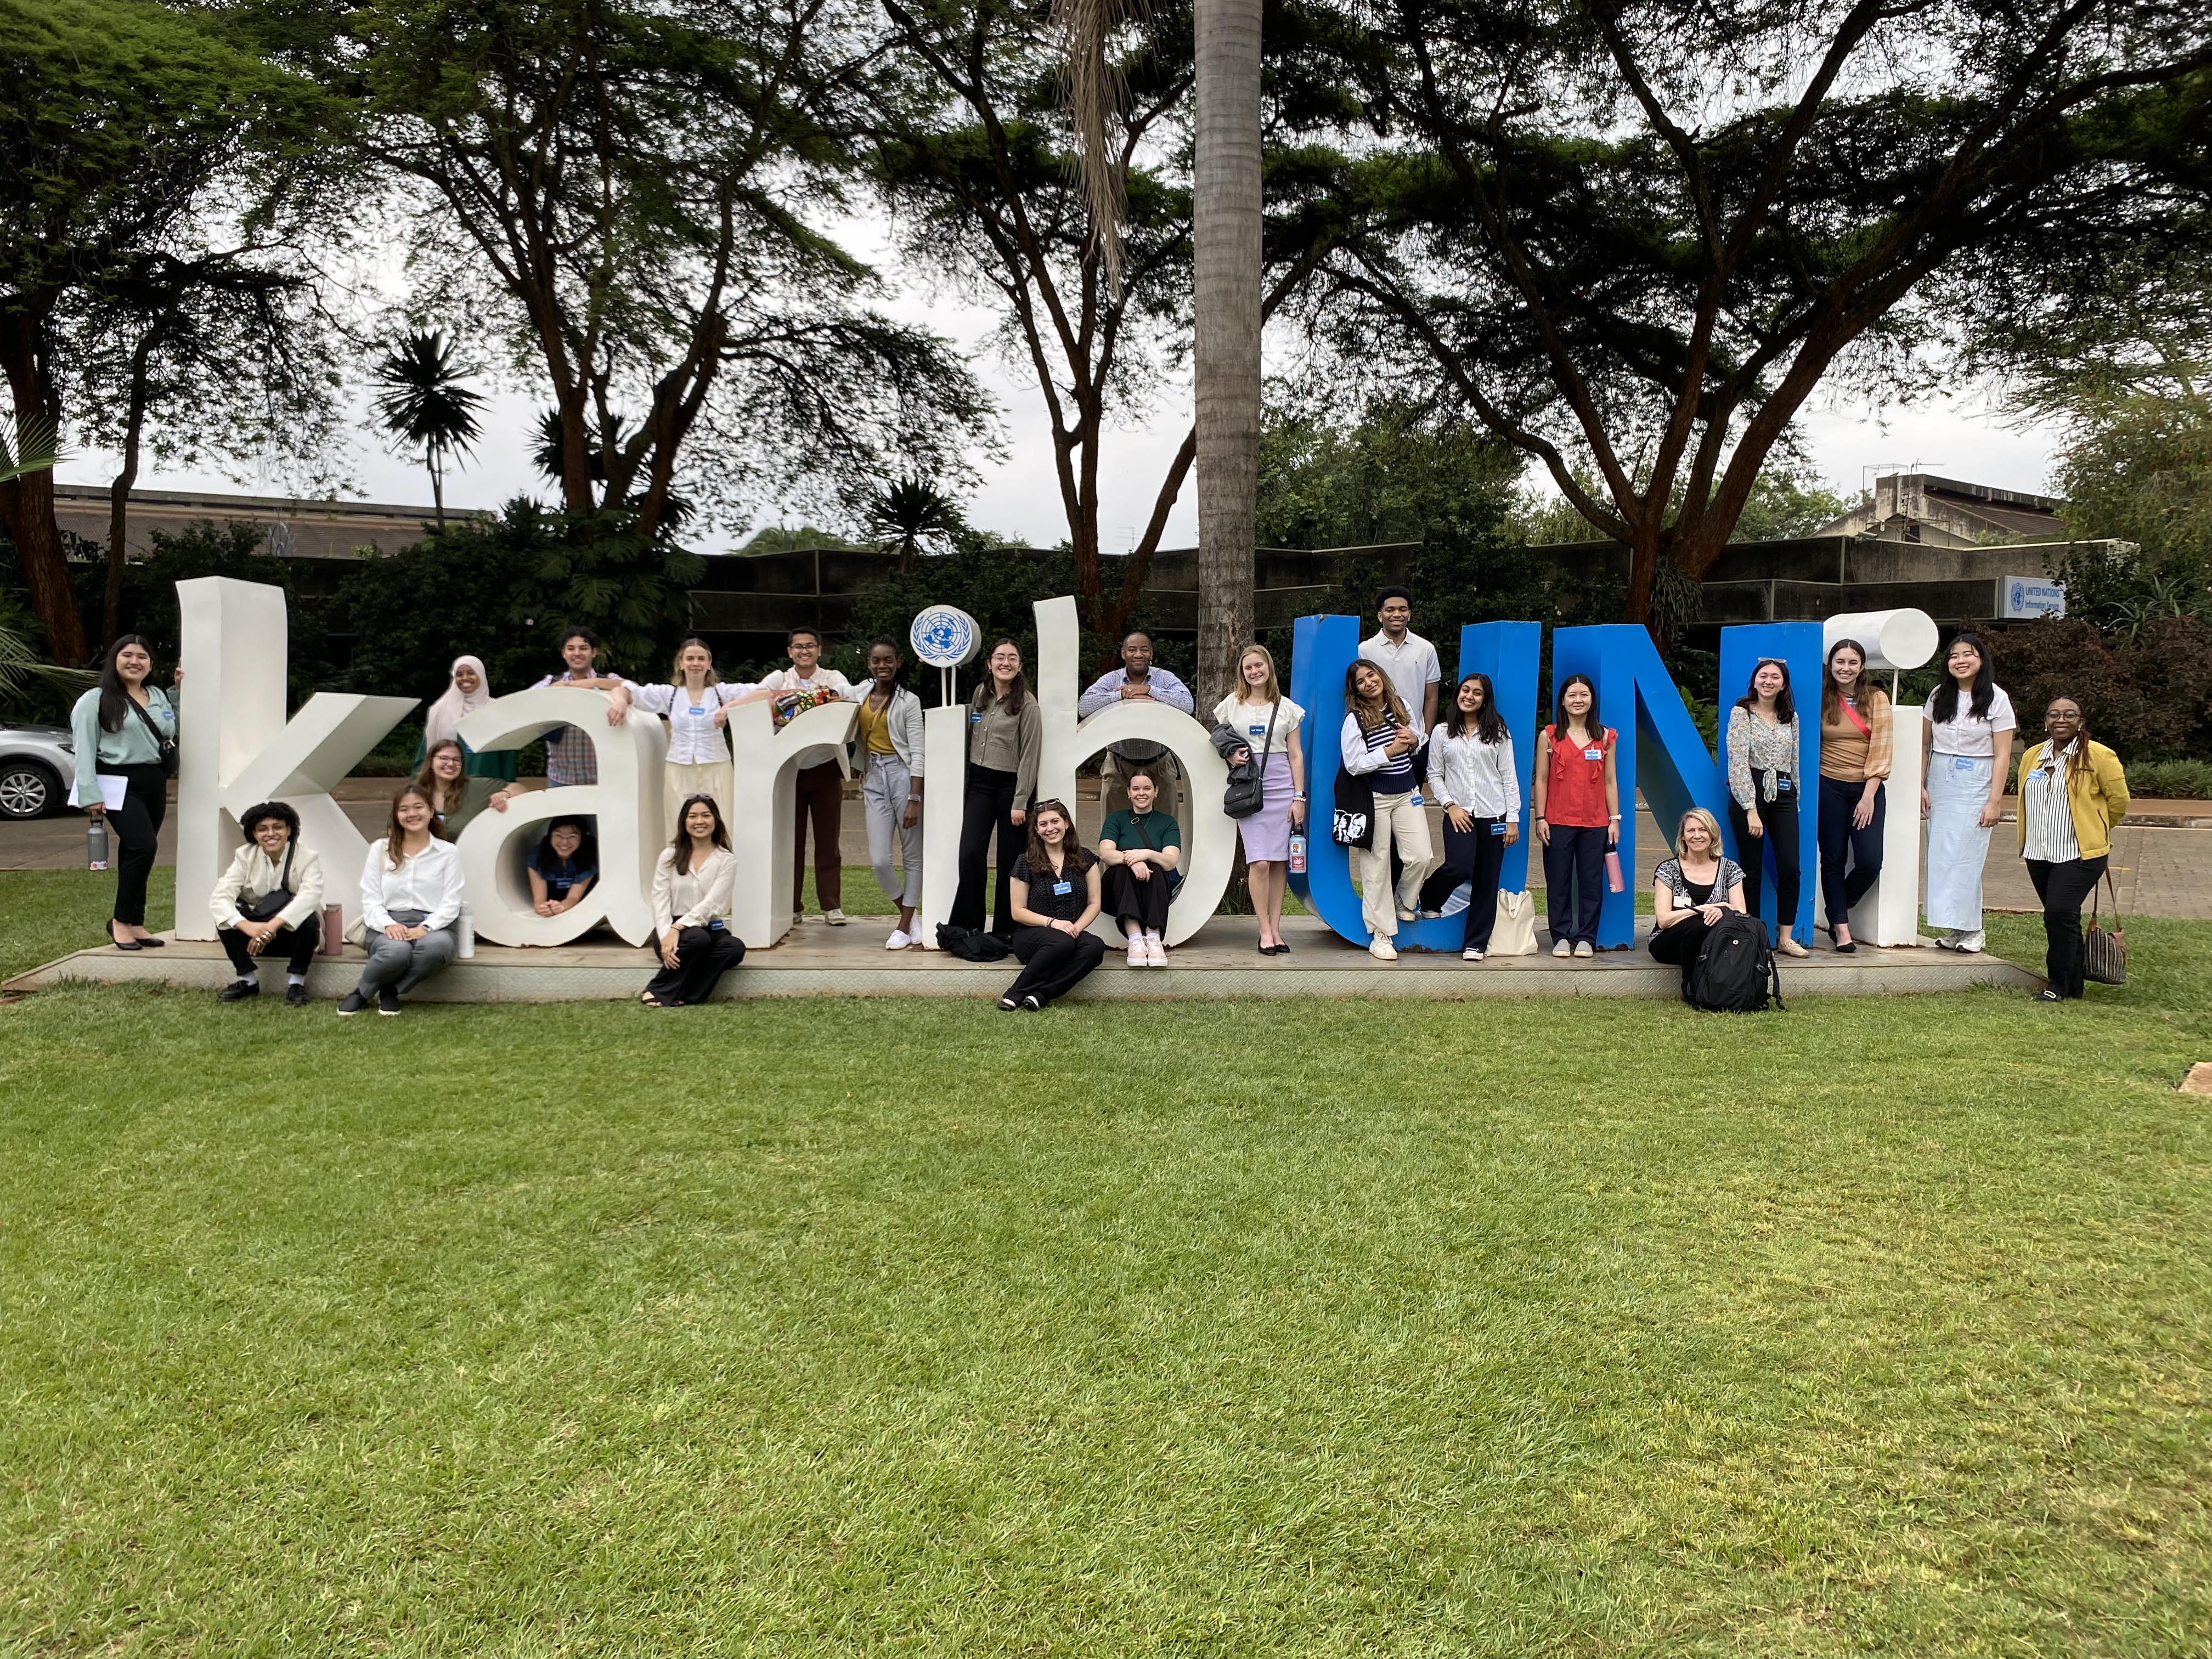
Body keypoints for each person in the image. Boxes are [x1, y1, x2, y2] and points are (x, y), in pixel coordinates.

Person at [2015, 696, 2130, 1001]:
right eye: (2054, 714)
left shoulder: (2099, 756)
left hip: (2079, 853)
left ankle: (2057, 985)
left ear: (2081, 721)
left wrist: (2096, 829)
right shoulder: (2032, 756)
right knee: (2063, 917)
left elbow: (2119, 801)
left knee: (2059, 913)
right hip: (2038, 852)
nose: (2061, 720)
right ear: (2046, 721)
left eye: (2070, 714)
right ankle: (2074, 985)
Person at [71, 634, 179, 950]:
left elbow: (168, 725)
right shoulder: (95, 699)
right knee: (143, 846)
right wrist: (88, 793)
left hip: (154, 781)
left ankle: (136, 923)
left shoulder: (158, 694)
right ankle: (119, 922)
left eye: (142, 656)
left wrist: (176, 691)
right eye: (127, 655)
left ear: (151, 664)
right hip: (116, 782)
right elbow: (85, 748)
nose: (135, 661)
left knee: (139, 852)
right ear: (115, 660)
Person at [612, 636, 775, 834]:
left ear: (709, 664)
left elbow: (765, 692)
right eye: (690, 659)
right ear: (680, 663)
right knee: (678, 825)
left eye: (701, 659)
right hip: (679, 769)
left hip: (717, 768)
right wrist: (620, 703)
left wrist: (728, 707)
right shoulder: (669, 695)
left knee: (720, 824)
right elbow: (626, 690)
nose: (695, 664)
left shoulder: (721, 693)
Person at [1921, 630, 2016, 952]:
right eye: (1954, 656)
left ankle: (1974, 928)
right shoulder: (1938, 696)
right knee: (1943, 855)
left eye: (1968, 655)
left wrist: (1994, 801)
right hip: (1941, 779)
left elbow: (2003, 754)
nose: (1960, 661)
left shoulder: (1996, 698)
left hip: (1977, 781)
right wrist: (1920, 786)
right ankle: (1955, 927)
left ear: (1981, 659)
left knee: (1968, 857)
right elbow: (1924, 745)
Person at [1418, 672, 1521, 961]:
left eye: (1477, 693)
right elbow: (1434, 774)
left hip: (1494, 814)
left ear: (1485, 699)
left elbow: (1509, 777)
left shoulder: (1499, 731)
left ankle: (1475, 943)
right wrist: (1450, 805)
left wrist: (1512, 818)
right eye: (1465, 690)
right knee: (1459, 867)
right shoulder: (1441, 732)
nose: (1470, 696)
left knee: (1487, 882)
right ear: (1458, 694)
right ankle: (1430, 898)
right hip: (1458, 814)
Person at [1211, 644, 1306, 955]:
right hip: (1250, 786)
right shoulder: (1231, 706)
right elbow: (1218, 740)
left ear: (1269, 668)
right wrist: (1230, 754)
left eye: (1259, 666)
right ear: (1242, 672)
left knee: (1280, 862)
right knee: (1261, 861)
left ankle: (1276, 929)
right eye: (1248, 667)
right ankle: (1263, 929)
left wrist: (1299, 797)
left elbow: (1295, 755)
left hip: (1282, 786)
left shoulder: (1288, 708)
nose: (1254, 672)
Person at [759, 627, 857, 926]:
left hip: (825, 764)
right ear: (790, 652)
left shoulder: (832, 677)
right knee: (792, 840)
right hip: (788, 767)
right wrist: (813, 699)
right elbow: (757, 699)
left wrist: (797, 700)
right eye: (798, 647)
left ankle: (831, 905)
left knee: (828, 841)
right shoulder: (778, 678)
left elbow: (848, 696)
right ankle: (792, 905)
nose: (805, 651)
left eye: (810, 646)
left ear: (819, 649)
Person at [1340, 658, 1436, 961]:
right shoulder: (1355, 719)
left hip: (1408, 793)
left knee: (1422, 855)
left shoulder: (1402, 705)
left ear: (1380, 676)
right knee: (1376, 867)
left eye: (1372, 675)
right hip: (1375, 798)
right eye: (1361, 681)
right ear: (1356, 690)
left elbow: (1418, 741)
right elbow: (1354, 763)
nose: (1369, 682)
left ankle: (1403, 902)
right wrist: (1389, 752)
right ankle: (1380, 935)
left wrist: (1414, 740)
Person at [341, 785, 464, 1016]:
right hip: (387, 921)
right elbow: (371, 898)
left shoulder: (448, 852)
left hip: (434, 923)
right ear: (397, 816)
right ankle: (361, 993)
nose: (412, 814)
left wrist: (425, 928)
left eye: (418, 807)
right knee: (397, 952)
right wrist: (388, 924)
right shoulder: (380, 849)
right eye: (404, 809)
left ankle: (392, 990)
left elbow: (451, 901)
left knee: (437, 948)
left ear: (430, 810)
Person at [951, 639, 1043, 940]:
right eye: (1000, 657)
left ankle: (1006, 929)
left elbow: (1030, 755)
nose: (1006, 663)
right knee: (970, 854)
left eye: (1013, 658)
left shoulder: (1027, 704)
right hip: (979, 784)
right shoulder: (981, 694)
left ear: (1020, 666)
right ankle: (968, 924)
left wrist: (1020, 801)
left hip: (1011, 788)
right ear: (989, 664)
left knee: (1010, 861)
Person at [1531, 673, 1620, 958]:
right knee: (1558, 881)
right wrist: (1540, 818)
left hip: (1595, 822)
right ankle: (1560, 936)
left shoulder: (1605, 737)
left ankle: (1586, 938)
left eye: (1584, 695)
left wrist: (1614, 819)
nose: (1578, 700)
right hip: (1557, 822)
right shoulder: (1550, 735)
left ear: (1592, 700)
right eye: (1572, 695)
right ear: (1563, 701)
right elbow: (1541, 779)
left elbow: (1610, 781)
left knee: (1591, 881)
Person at [1725, 658, 1809, 957]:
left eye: (1775, 677)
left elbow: (1794, 761)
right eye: (1764, 676)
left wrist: (1794, 799)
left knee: (1790, 867)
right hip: (1751, 791)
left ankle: (1785, 937)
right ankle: (1754, 937)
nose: (1769, 681)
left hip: (1784, 793)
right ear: (1755, 680)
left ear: (1783, 683)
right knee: (1751, 869)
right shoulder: (1741, 714)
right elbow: (1736, 762)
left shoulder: (1791, 717)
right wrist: (1750, 808)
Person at [1815, 637, 1892, 952]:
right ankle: (1842, 932)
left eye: (1852, 663)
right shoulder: (1821, 698)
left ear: (1862, 667)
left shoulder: (1876, 699)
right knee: (1833, 859)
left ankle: (1836, 911)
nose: (1845, 668)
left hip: (1866, 788)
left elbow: (1883, 748)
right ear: (1830, 665)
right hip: (1827, 784)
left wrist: (1869, 795)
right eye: (1839, 662)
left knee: (1870, 861)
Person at [208, 800, 324, 1005]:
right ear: (254, 834)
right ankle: (247, 981)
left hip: (290, 935)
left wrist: (271, 927)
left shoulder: (307, 857)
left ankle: (296, 983)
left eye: (278, 827)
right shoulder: (244, 856)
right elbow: (220, 897)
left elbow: (310, 896)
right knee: (226, 918)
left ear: (289, 830)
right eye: (263, 829)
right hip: (254, 936)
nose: (271, 834)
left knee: (309, 921)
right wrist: (247, 926)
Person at [998, 798, 1106, 1011]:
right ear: (1037, 830)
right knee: (1062, 942)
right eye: (1043, 824)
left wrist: (1076, 928)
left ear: (1066, 823)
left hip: (1070, 933)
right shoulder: (1026, 861)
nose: (1050, 829)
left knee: (1095, 947)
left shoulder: (1085, 858)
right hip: (1032, 935)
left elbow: (1095, 903)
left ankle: (1041, 995)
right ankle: (1014, 993)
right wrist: (1053, 923)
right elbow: (1017, 912)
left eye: (1055, 821)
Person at [1077, 629, 1197, 820]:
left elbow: (1187, 704)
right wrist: (1121, 695)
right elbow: (1084, 706)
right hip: (1119, 765)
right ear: (1123, 653)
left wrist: (1149, 690)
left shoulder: (1164, 678)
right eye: (1132, 650)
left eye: (1144, 650)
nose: (1139, 654)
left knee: (1164, 830)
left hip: (1159, 764)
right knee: (1114, 831)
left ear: (1152, 654)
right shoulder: (1111, 680)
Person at [855, 637, 927, 949]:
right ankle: (910, 916)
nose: (882, 666)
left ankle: (902, 925)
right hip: (873, 776)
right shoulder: (859, 694)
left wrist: (914, 798)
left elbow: (919, 752)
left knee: (912, 855)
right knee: (880, 861)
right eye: (876, 661)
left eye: (888, 660)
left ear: (898, 663)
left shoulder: (909, 701)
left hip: (902, 775)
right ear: (869, 663)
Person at [644, 794, 746, 1007]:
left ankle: (690, 994)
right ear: (684, 822)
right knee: (697, 939)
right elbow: (660, 899)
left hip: (706, 927)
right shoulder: (669, 856)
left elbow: (713, 904)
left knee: (734, 948)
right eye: (693, 816)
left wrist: (679, 927)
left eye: (706, 816)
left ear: (715, 820)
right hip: (671, 930)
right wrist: (666, 935)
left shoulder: (726, 860)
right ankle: (658, 990)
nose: (700, 821)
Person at [1646, 808, 1749, 987]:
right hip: (1669, 942)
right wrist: (1700, 910)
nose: (1697, 836)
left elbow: (1740, 914)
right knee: (1698, 926)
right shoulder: (1668, 869)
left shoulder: (1730, 869)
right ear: (1683, 837)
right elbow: (1663, 920)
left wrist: (1721, 911)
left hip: (1717, 941)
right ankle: (1693, 988)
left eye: (1703, 830)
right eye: (1691, 831)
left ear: (1713, 835)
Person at [526, 628, 631, 788]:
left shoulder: (608, 680)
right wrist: (551, 692)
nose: (577, 653)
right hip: (559, 777)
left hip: (601, 780)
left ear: (594, 652)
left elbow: (634, 689)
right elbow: (524, 703)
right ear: (563, 653)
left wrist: (592, 683)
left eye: (583, 648)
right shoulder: (551, 682)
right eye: (571, 649)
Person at [1098, 766, 1181, 966]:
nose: (1141, 793)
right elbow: (1106, 853)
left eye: (1147, 788)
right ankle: (1134, 937)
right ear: (1128, 792)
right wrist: (1133, 862)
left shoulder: (1168, 823)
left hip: (1154, 888)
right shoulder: (1116, 819)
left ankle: (1153, 938)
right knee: (1119, 870)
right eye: (1135, 789)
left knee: (1159, 869)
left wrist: (1148, 855)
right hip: (1118, 890)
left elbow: (1171, 861)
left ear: (1156, 791)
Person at [416, 655, 517, 782]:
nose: (465, 678)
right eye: (459, 674)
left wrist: (508, 788)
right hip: (445, 787)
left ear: (481, 675)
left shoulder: (497, 710)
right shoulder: (439, 711)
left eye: (471, 673)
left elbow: (507, 756)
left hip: (487, 788)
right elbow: (425, 753)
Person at [413, 738, 515, 838]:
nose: (451, 764)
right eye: (444, 758)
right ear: (431, 762)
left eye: (456, 760)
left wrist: (505, 794)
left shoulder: (476, 787)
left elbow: (518, 788)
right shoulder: (414, 793)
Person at [528, 817, 598, 917]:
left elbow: (574, 897)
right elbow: (539, 900)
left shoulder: (589, 856)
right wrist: (543, 908)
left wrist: (561, 907)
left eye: (572, 836)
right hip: (552, 892)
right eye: (558, 835)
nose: (564, 842)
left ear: (581, 839)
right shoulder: (538, 856)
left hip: (582, 896)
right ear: (550, 836)